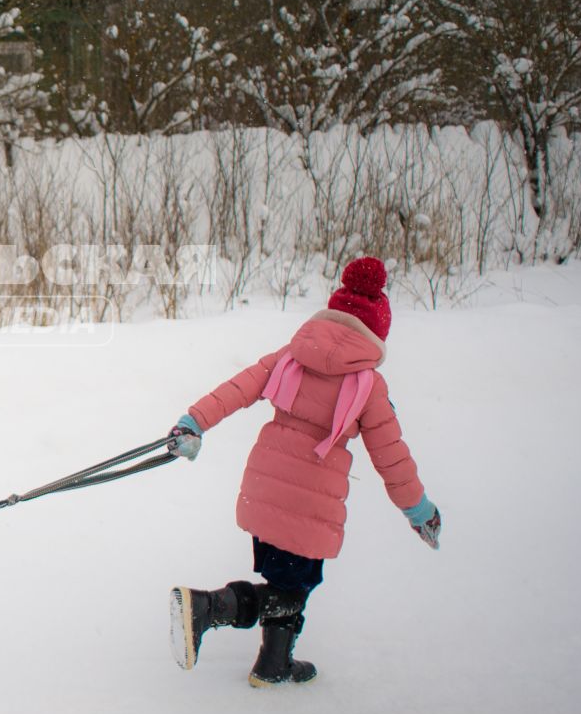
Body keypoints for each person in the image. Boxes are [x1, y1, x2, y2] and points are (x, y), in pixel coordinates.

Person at [166, 257, 441, 687]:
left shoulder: (291, 355)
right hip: (311, 500)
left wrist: (193, 422)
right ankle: (209, 607)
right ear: (376, 334)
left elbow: (237, 389)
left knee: (285, 579)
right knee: (293, 588)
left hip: (263, 486)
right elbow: (392, 458)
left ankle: (272, 665)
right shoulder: (369, 386)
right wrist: (419, 510)